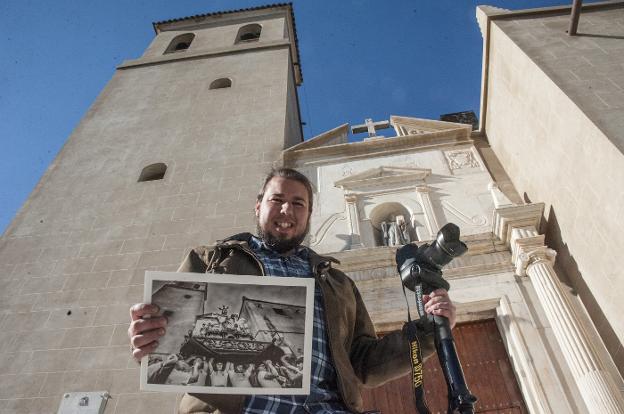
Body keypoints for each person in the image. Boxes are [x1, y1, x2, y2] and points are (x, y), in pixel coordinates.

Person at [129, 167, 456, 413]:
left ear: (309, 215)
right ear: (258, 206)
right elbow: (166, 332)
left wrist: (429, 331)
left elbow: (364, 364)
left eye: (298, 203)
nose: (287, 210)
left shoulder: (339, 284)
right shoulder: (211, 259)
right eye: (277, 200)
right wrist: (147, 333)